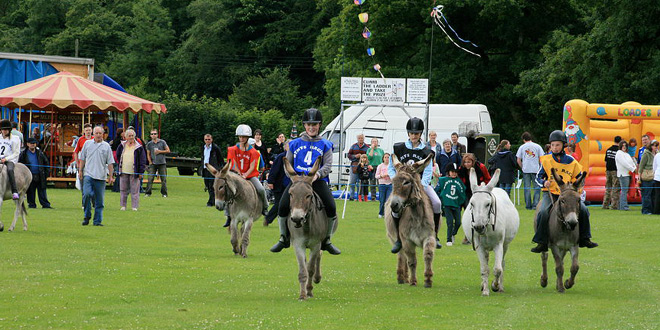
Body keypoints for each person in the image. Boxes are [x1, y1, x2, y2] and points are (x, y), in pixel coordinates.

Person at [270, 108, 341, 255]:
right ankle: (283, 237)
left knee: (331, 206)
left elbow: (327, 165)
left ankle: (327, 240)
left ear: (319, 125)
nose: (311, 127)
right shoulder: (294, 144)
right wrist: (293, 178)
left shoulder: (326, 144)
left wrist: (317, 175)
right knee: (282, 206)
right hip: (297, 181)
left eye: (314, 124)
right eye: (309, 124)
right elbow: (287, 163)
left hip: (317, 181)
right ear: (304, 125)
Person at [531, 130, 598, 253]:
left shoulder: (572, 161)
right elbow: (537, 177)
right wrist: (544, 182)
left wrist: (575, 188)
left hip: (568, 195)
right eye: (552, 145)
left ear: (563, 146)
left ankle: (585, 238)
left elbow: (579, 177)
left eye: (557, 145)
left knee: (584, 210)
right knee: (543, 212)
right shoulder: (545, 160)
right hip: (550, 193)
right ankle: (541, 241)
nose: (554, 148)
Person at [388, 117, 443, 252]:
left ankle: (435, 235)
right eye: (412, 133)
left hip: (421, 185)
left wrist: (422, 186)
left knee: (437, 203)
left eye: (416, 133)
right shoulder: (399, 148)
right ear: (408, 133)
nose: (414, 136)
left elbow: (428, 170)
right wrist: (395, 179)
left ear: (420, 134)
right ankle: (398, 240)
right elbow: (391, 166)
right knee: (394, 206)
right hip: (402, 186)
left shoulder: (426, 151)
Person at [226, 124, 269, 219]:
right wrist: (239, 174)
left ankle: (265, 207)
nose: (241, 138)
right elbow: (233, 162)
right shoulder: (233, 149)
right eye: (240, 136)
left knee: (261, 189)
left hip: (250, 175)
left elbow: (253, 165)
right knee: (227, 189)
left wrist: (245, 175)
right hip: (237, 174)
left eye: (243, 137)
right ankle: (227, 212)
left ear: (247, 138)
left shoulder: (253, 151)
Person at [78, 126, 115, 226]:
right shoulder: (87, 144)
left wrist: (111, 176)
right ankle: (87, 215)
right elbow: (82, 158)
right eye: (96, 133)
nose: (98, 135)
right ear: (93, 134)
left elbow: (110, 163)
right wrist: (80, 171)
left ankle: (97, 221)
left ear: (103, 134)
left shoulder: (106, 146)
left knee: (99, 201)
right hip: (88, 175)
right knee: (86, 194)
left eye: (100, 133)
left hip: (101, 177)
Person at [457, 153, 491, 245]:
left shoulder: (481, 167)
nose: (467, 164)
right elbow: (459, 182)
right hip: (466, 192)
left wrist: (484, 189)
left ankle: (484, 229)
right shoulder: (461, 170)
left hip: (480, 192)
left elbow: (488, 178)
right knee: (468, 211)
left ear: (473, 162)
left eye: (469, 162)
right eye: (465, 162)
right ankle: (468, 234)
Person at [116, 129, 147, 211]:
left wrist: (141, 172)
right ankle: (123, 206)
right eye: (129, 136)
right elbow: (118, 155)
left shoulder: (139, 147)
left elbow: (143, 160)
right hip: (123, 171)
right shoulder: (122, 145)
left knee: (135, 190)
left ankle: (134, 206)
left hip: (134, 172)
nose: (131, 137)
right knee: (123, 189)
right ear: (126, 137)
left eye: (132, 136)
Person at [435, 163, 466, 246]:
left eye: (456, 172)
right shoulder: (442, 180)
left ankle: (453, 233)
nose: (454, 173)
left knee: (458, 222)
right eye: (452, 171)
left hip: (456, 204)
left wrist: (460, 202)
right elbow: (436, 190)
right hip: (447, 205)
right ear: (448, 172)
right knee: (449, 222)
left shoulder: (459, 181)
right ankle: (448, 239)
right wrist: (441, 199)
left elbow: (462, 192)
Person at [18, 138, 52, 208]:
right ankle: (32, 204)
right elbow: (20, 165)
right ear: (27, 144)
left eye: (34, 143)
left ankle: (45, 205)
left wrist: (46, 174)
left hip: (40, 175)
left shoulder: (40, 153)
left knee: (42, 191)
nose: (32, 145)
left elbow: (46, 163)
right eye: (31, 143)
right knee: (30, 191)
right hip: (29, 176)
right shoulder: (23, 154)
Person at [516, 132, 545, 210]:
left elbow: (518, 160)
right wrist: (540, 168)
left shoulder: (522, 147)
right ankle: (535, 205)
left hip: (526, 170)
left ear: (524, 139)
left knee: (527, 188)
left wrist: (522, 167)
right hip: (536, 170)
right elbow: (542, 159)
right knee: (537, 187)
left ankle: (528, 205)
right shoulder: (537, 146)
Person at [265, 139, 291, 224]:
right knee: (279, 203)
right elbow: (274, 170)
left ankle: (286, 220)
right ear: (285, 147)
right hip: (279, 185)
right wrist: (270, 182)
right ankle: (268, 219)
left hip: (288, 185)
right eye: (289, 146)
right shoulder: (281, 157)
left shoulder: (294, 157)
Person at [201, 134, 224, 207]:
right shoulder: (203, 147)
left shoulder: (215, 148)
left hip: (213, 170)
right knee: (207, 185)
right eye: (206, 139)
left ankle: (211, 202)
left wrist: (220, 169)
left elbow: (220, 159)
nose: (207, 141)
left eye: (209, 139)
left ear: (211, 140)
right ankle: (212, 200)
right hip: (205, 169)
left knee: (212, 186)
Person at [145, 129, 170, 197]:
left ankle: (164, 193)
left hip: (162, 163)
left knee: (163, 179)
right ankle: (148, 193)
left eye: (155, 134)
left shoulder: (162, 142)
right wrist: (150, 162)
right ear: (150, 135)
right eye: (152, 134)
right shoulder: (149, 144)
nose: (153, 135)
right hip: (153, 163)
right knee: (150, 178)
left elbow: (168, 150)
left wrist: (160, 151)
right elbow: (148, 154)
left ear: (157, 135)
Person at [0, 120, 21, 200]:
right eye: (3, 129)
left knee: (10, 170)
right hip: (0, 158)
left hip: (10, 160)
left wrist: (6, 159)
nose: (4, 131)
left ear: (9, 130)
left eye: (6, 130)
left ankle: (14, 191)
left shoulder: (15, 139)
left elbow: (16, 153)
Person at [615, 140, 636, 211]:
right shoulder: (619, 153)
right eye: (623, 145)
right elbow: (624, 163)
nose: (624, 147)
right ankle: (623, 206)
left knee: (625, 191)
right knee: (624, 191)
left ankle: (622, 205)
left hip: (628, 174)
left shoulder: (627, 154)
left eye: (625, 146)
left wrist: (634, 167)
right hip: (623, 175)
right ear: (620, 146)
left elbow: (632, 162)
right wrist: (632, 169)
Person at [638, 139, 657, 215]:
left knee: (653, 195)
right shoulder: (646, 154)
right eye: (655, 145)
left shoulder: (657, 154)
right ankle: (646, 210)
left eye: (657, 146)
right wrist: (639, 178)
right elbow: (641, 167)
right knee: (646, 195)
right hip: (647, 176)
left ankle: (652, 209)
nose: (656, 147)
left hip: (654, 177)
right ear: (651, 146)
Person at [347, 134, 369, 201]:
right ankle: (352, 196)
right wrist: (355, 156)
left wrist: (363, 158)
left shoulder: (367, 147)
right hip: (354, 165)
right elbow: (349, 155)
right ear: (357, 139)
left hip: (363, 167)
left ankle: (361, 197)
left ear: (363, 139)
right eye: (359, 138)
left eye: (362, 138)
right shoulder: (353, 146)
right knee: (352, 182)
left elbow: (368, 157)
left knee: (362, 183)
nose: (360, 139)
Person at [603, 136, 621, 209]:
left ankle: (605, 204)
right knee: (615, 188)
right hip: (615, 171)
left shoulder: (608, 150)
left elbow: (605, 161)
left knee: (608, 188)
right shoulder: (618, 151)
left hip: (608, 170)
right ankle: (614, 205)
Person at [375, 153, 392, 218]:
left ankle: (387, 213)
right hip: (382, 184)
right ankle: (381, 213)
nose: (387, 159)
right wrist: (381, 176)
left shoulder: (391, 166)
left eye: (388, 157)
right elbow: (376, 176)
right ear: (383, 158)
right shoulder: (380, 166)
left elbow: (394, 175)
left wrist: (389, 175)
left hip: (390, 184)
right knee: (382, 200)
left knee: (388, 200)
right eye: (385, 157)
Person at [653, 141, 660, 214]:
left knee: (657, 195)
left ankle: (656, 210)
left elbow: (654, 167)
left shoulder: (657, 155)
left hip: (657, 177)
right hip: (658, 176)